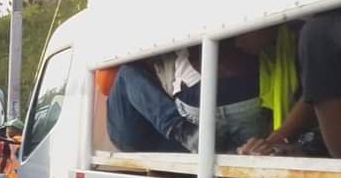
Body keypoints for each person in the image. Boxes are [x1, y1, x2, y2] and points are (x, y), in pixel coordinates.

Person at [240, 10, 341, 158]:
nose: (237, 43)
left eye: (239, 33)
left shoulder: (319, 32)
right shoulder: (270, 55)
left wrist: (275, 141)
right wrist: (273, 142)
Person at [106, 46, 264, 153]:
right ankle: (182, 130)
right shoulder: (137, 68)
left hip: (172, 141)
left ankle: (191, 134)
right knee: (127, 73)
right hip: (146, 133)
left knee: (128, 73)